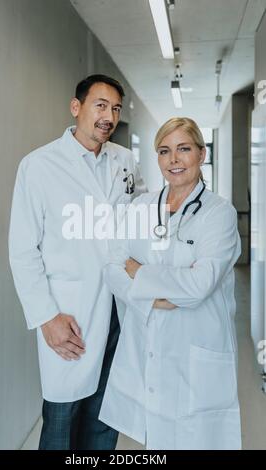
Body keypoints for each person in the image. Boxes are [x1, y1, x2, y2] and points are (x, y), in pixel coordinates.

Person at [9, 74, 146, 450]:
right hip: (71, 313)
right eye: (100, 105)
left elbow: (141, 217)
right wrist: (46, 317)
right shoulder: (38, 166)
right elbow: (22, 249)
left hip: (118, 307)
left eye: (115, 108)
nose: (109, 116)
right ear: (76, 107)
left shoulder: (125, 161)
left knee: (106, 414)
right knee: (62, 418)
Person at [99, 117, 242, 450]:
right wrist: (157, 297)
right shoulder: (140, 207)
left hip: (198, 346)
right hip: (148, 347)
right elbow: (111, 268)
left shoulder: (218, 214)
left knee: (198, 439)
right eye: (164, 151)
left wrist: (139, 271)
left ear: (201, 154)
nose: (174, 160)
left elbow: (198, 286)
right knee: (156, 445)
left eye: (183, 149)